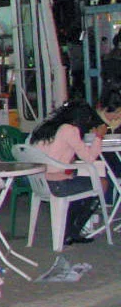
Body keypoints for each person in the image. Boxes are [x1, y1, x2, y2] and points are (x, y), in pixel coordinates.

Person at [29, 100, 108, 245]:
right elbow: (89, 158)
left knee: (81, 182)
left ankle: (69, 230)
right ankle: (73, 231)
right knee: (101, 183)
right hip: (57, 184)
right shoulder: (69, 130)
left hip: (40, 182)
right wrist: (99, 137)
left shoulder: (48, 127)